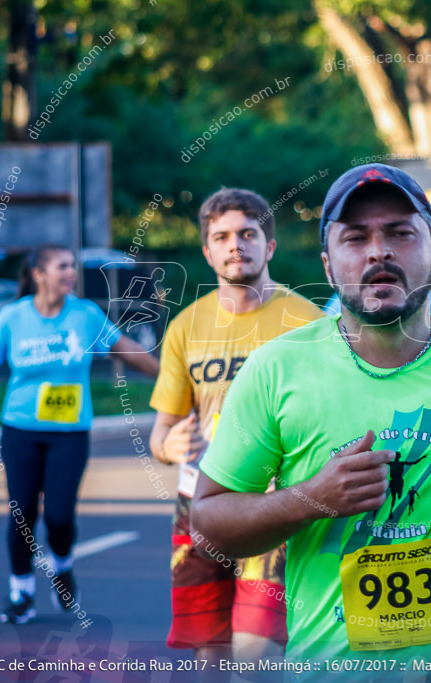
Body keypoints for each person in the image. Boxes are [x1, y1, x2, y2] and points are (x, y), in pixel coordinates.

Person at [191, 164, 431, 678]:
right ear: (330, 266)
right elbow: (209, 522)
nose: (379, 251)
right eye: (356, 238)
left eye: (401, 232)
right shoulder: (275, 369)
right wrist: (310, 499)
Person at [0, 245, 159, 623]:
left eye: (72, 266)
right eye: (62, 266)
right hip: (21, 432)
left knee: (60, 518)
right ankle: (22, 592)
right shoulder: (12, 318)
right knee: (22, 515)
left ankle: (63, 567)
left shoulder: (84, 315)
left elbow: (126, 349)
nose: (71, 272)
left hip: (69, 433)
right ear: (39, 274)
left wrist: (169, 379)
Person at [148, 188, 322, 676]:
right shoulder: (185, 326)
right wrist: (168, 444)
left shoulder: (308, 324)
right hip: (198, 503)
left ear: (269, 245)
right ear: (207, 252)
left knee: (255, 649)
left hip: (273, 504)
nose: (235, 245)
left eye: (248, 234)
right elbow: (163, 429)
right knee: (209, 651)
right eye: (221, 237)